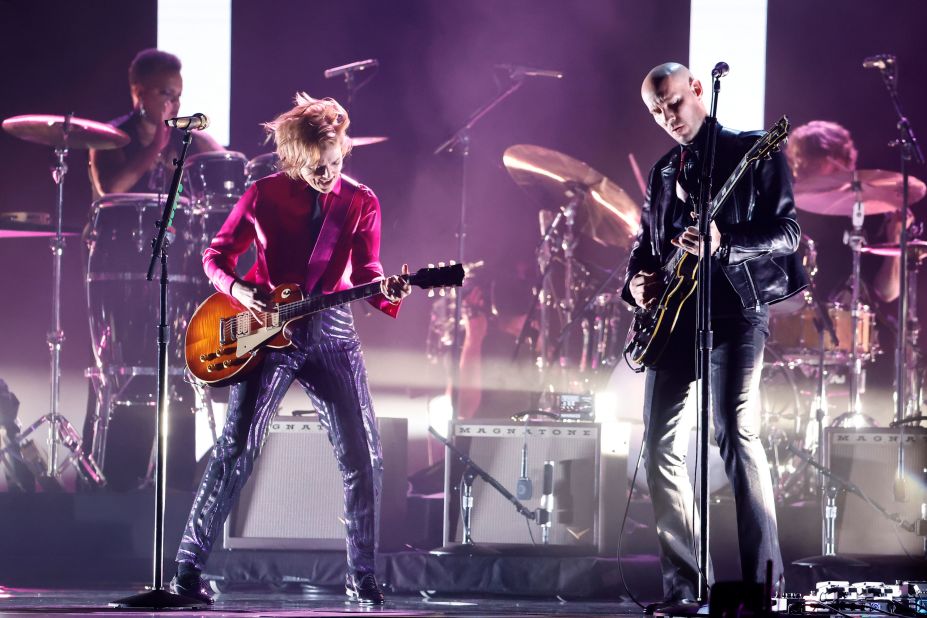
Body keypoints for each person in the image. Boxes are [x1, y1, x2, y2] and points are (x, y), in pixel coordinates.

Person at [169, 93, 410, 605]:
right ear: (296, 158)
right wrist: (239, 290)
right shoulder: (263, 194)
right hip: (265, 328)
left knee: (364, 454)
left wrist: (387, 291)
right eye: (318, 167)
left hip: (333, 332)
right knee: (236, 449)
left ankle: (362, 575)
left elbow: (367, 272)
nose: (328, 175)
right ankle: (187, 570)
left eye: (336, 164)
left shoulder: (361, 201)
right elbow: (215, 256)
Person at [621, 62, 807, 607]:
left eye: (674, 102)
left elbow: (789, 232)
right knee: (659, 448)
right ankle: (686, 588)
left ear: (697, 90)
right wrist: (635, 283)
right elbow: (646, 246)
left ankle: (764, 587)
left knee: (735, 433)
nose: (668, 117)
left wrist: (725, 243)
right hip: (674, 318)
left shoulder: (753, 151)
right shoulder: (663, 171)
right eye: (657, 111)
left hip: (736, 311)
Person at [89, 48, 224, 198]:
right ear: (139, 92)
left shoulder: (192, 139)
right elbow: (111, 189)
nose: (176, 103)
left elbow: (233, 174)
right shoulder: (109, 137)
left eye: (178, 96)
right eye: (167, 93)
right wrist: (155, 146)